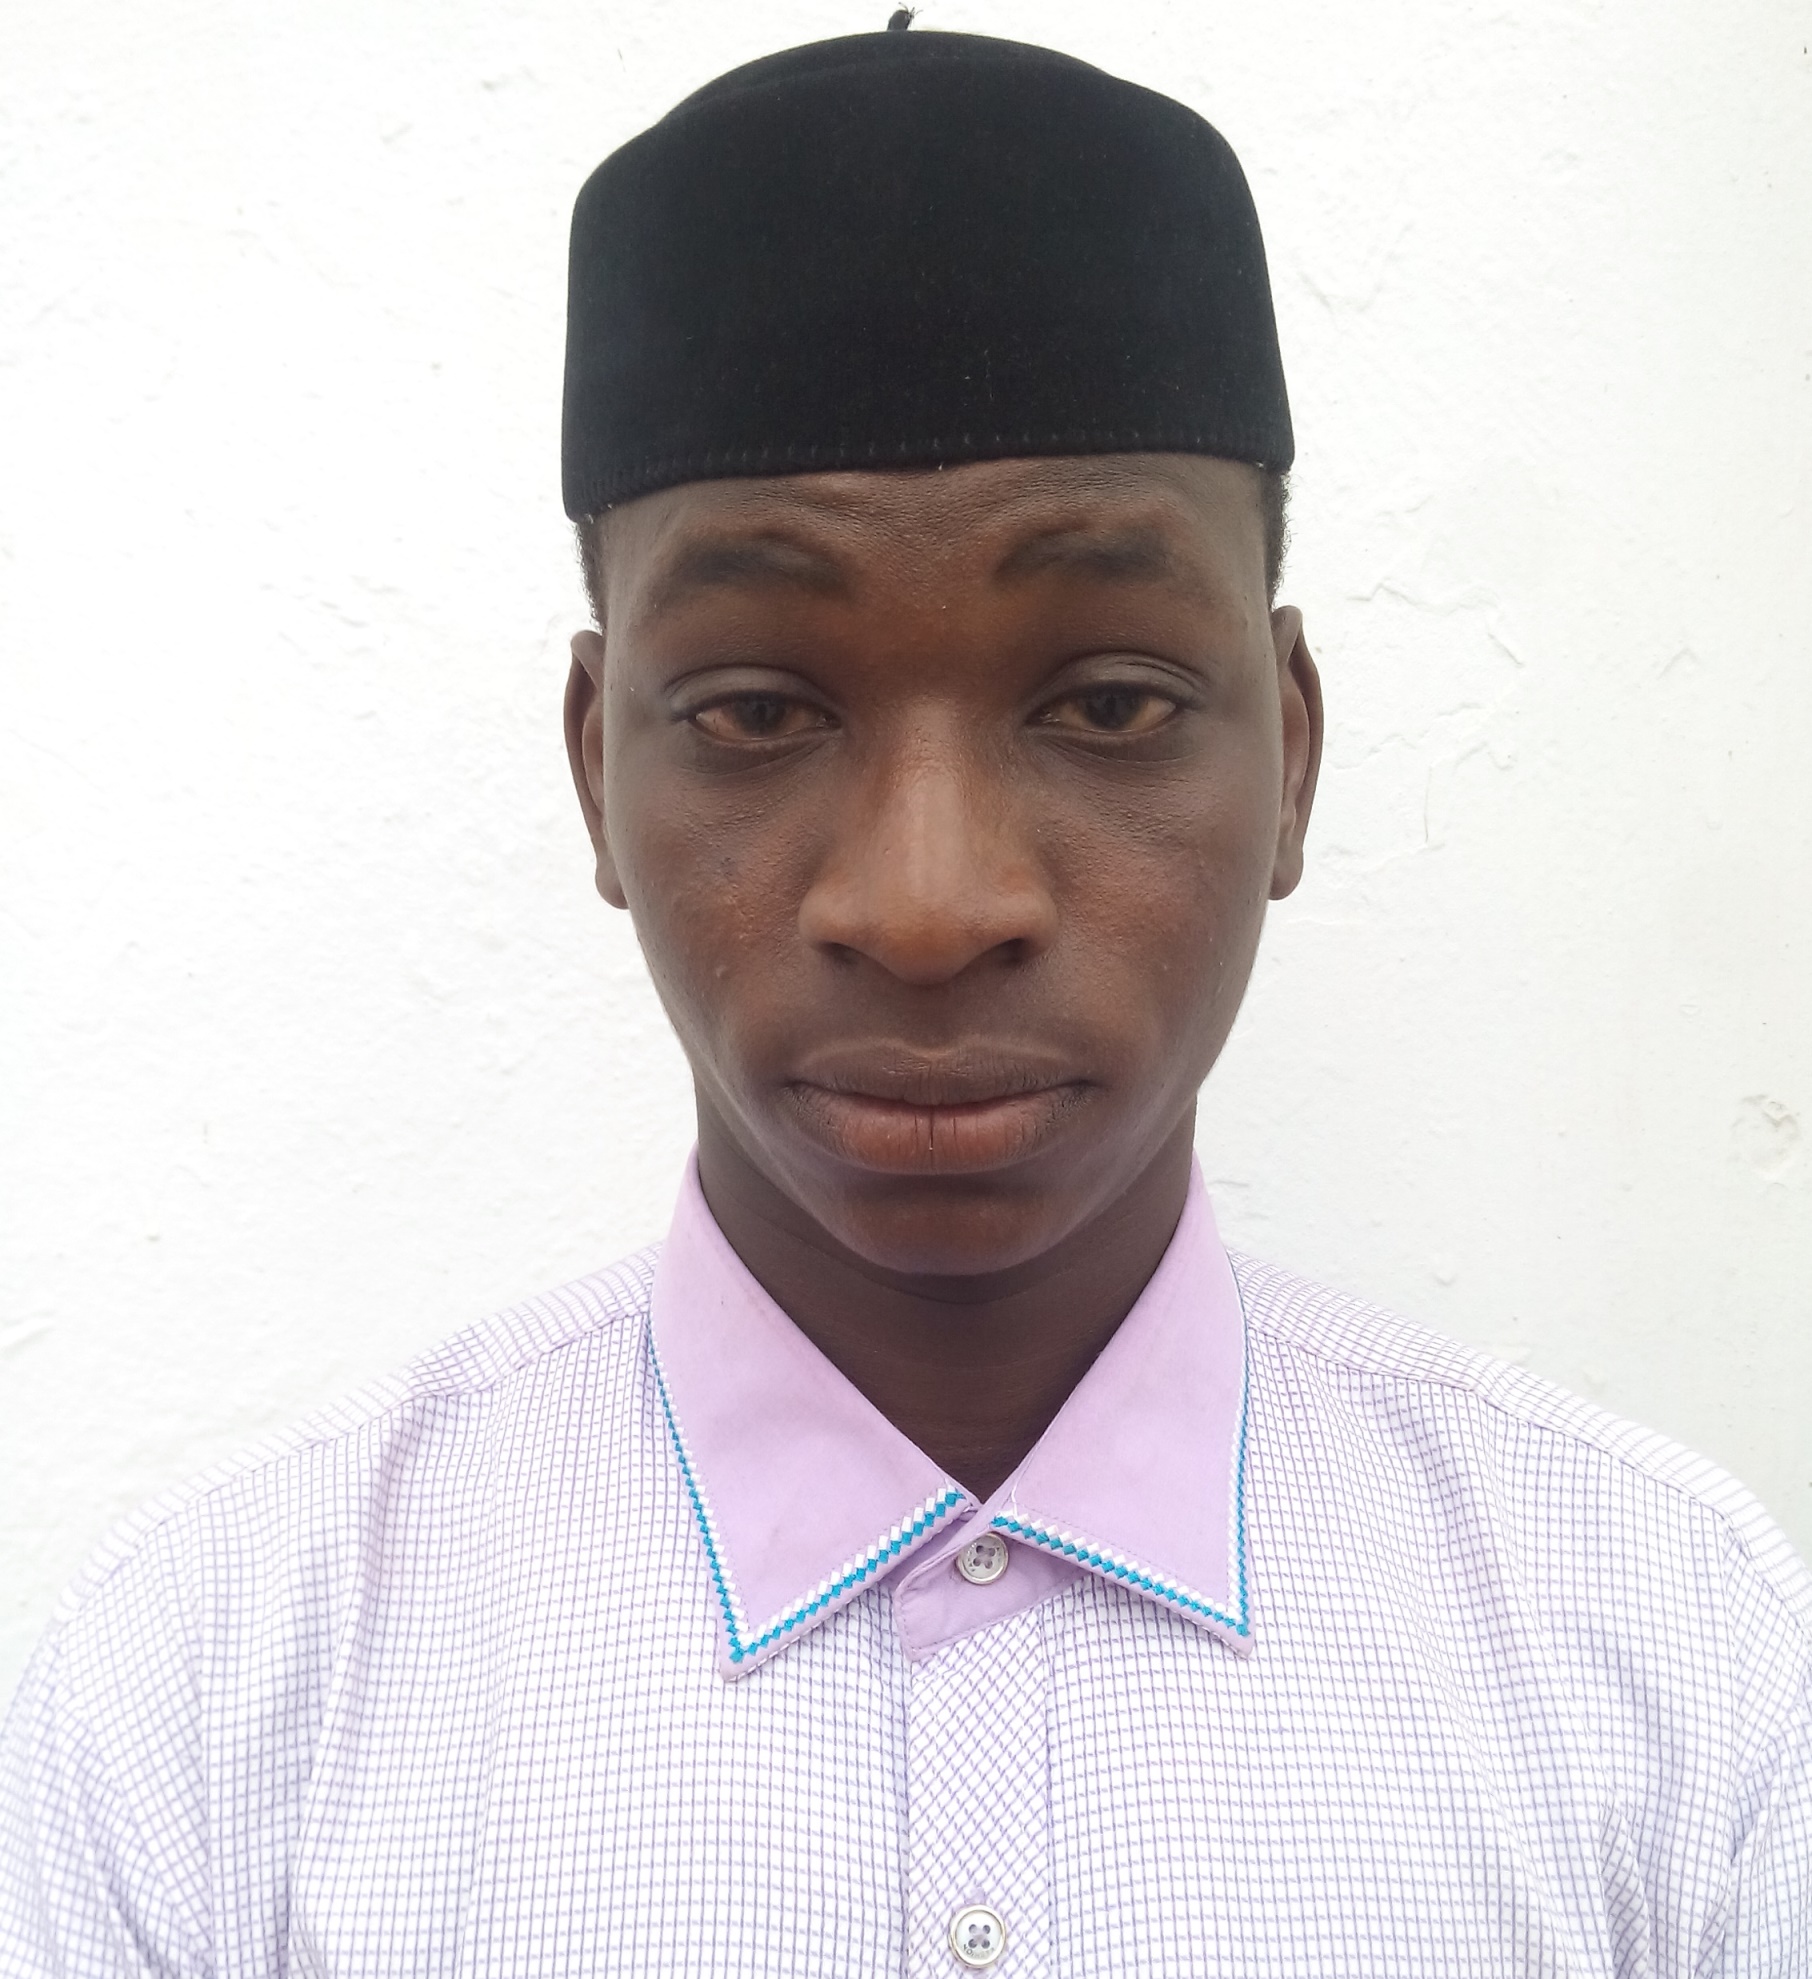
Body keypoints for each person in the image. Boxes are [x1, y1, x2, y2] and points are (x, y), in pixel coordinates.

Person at [2, 23, 1807, 1977]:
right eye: (755, 710)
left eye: (1107, 700)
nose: (931, 905)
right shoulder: (200, 1713)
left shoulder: (1684, 1666)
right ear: (598, 766)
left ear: (1289, 754)